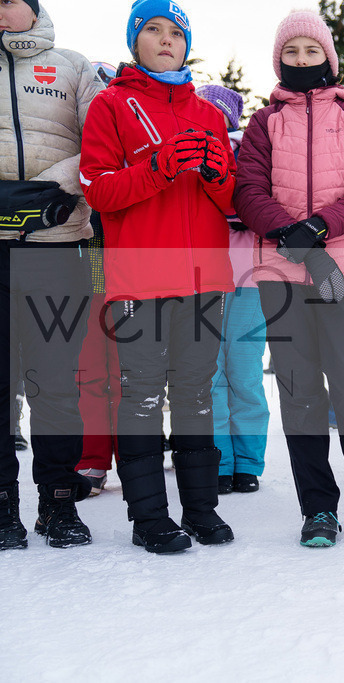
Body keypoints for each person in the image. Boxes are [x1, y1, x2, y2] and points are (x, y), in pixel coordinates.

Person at [233, 9, 344, 547]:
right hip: (280, 276)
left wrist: (317, 227)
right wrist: (295, 237)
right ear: (279, 60)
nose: (303, 60)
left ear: (330, 60)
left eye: (312, 52)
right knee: (300, 393)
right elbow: (248, 193)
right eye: (293, 53)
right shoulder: (264, 123)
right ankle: (318, 509)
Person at [79, 0, 237, 554]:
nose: (166, 40)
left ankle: (201, 509)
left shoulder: (210, 113)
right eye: (153, 30)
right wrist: (159, 166)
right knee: (142, 395)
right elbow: (97, 189)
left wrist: (219, 176)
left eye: (176, 32)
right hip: (140, 276)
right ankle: (149, 518)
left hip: (203, 277)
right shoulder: (111, 104)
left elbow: (230, 199)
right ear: (134, 41)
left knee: (195, 393)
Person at [1, 0, 102, 550]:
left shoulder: (72, 65)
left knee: (56, 384)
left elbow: (99, 143)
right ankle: (2, 507)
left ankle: (58, 504)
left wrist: (51, 192)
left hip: (57, 243)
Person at [195, 83, 270, 496]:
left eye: (216, 116)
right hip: (201, 277)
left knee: (244, 371)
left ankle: (248, 461)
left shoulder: (245, 152)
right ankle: (219, 460)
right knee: (210, 373)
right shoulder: (185, 150)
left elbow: (250, 204)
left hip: (246, 278)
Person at [74, 61, 121, 497]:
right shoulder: (74, 144)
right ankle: (91, 459)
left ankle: (134, 453)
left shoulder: (129, 137)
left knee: (129, 371)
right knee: (89, 370)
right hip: (87, 264)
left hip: (130, 265)